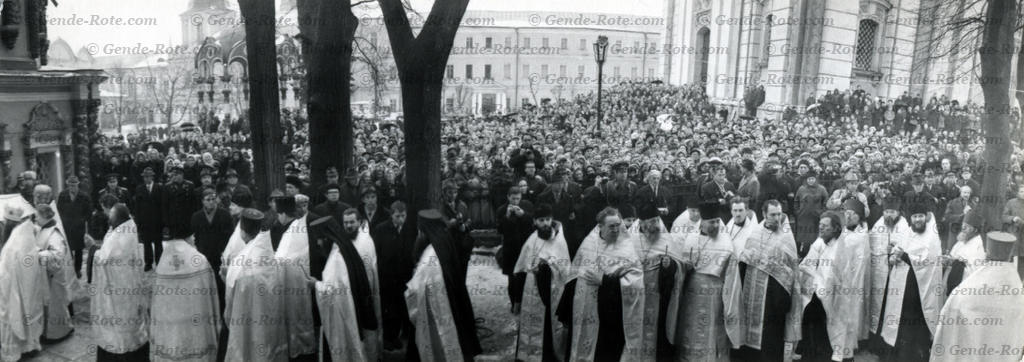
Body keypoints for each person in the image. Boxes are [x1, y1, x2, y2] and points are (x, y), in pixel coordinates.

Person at [558, 207, 643, 361]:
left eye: (618, 225)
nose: (616, 229)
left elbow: (636, 285)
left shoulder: (627, 248)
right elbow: (574, 275)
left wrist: (605, 280)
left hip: (610, 316)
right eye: (611, 226)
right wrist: (565, 312)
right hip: (583, 312)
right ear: (600, 227)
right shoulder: (588, 244)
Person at [931, 231, 1024, 362]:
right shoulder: (1018, 294)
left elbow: (949, 320)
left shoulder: (966, 290)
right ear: (1009, 257)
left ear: (987, 255)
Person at [668, 201, 742, 362]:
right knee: (691, 328)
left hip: (715, 295)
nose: (715, 225)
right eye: (711, 222)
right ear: (702, 222)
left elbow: (731, 275)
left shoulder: (726, 242)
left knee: (711, 330)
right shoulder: (691, 239)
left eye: (717, 221)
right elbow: (682, 267)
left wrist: (728, 298)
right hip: (692, 293)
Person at [406, 209, 482, 361]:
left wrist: (410, 292)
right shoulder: (444, 239)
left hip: (438, 305)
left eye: (420, 230)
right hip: (452, 297)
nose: (419, 233)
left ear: (424, 230)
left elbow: (419, 287)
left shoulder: (430, 254)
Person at [876, 201, 942, 362]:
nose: (918, 220)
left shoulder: (931, 236)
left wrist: (903, 255)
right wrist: (893, 256)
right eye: (915, 216)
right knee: (899, 319)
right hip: (901, 285)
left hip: (920, 289)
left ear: (926, 217)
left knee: (916, 322)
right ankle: (898, 355)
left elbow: (928, 260)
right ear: (910, 218)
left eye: (920, 216)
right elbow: (898, 250)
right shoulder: (907, 232)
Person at [787, 211, 857, 362]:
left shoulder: (842, 247)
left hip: (835, 297)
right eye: (820, 225)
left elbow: (837, 277)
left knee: (832, 328)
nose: (821, 229)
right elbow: (807, 264)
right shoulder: (820, 241)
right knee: (808, 316)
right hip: (817, 291)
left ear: (835, 229)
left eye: (825, 226)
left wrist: (820, 282)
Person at [309, 215, 379, 360]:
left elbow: (332, 292)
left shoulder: (337, 258)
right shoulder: (344, 247)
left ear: (327, 237)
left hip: (343, 317)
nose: (319, 243)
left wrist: (315, 284)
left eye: (320, 239)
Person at [223, 208, 289, 362]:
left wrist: (226, 276)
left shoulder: (239, 265)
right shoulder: (269, 256)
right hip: (268, 322)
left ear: (243, 232)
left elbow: (231, 298)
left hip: (245, 322)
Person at [735, 200, 797, 362]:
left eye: (779, 214)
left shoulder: (786, 237)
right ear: (764, 214)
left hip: (773, 297)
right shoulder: (755, 233)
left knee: (770, 338)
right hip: (751, 292)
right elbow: (743, 261)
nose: (777, 218)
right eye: (773, 214)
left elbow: (792, 269)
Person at [150, 223, 221, 362]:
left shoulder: (162, 264)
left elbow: (156, 304)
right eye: (193, 235)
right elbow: (211, 297)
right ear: (187, 236)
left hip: (170, 330)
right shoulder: (200, 261)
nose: (194, 238)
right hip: (195, 329)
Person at [512, 204, 572, 361]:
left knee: (548, 326)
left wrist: (548, 265)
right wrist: (517, 299)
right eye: (541, 220)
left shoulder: (559, 240)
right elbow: (521, 269)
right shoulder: (531, 240)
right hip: (532, 290)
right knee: (530, 324)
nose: (545, 223)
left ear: (552, 220)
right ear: (535, 222)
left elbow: (565, 269)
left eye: (547, 219)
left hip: (551, 291)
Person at [91, 203, 149, 360]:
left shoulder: (118, 240)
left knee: (118, 326)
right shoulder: (129, 229)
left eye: (110, 217)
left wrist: (91, 248)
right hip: (129, 287)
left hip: (118, 292)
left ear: (117, 219)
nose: (108, 220)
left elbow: (103, 259)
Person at [630, 204, 681, 361]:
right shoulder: (630, 238)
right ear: (641, 223)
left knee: (656, 327)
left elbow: (678, 264)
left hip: (658, 293)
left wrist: (669, 266)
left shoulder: (665, 238)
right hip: (634, 293)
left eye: (656, 220)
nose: (654, 225)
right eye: (650, 222)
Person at [273, 195, 317, 360]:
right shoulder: (296, 226)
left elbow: (287, 258)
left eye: (278, 214)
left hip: (297, 281)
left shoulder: (295, 230)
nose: (278, 217)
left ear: (283, 214)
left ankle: (302, 348)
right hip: (294, 280)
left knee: (298, 316)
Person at [370, 201, 415, 351]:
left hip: (404, 276)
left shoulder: (409, 229)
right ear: (391, 215)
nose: (401, 219)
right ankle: (389, 338)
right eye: (397, 216)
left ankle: (400, 335)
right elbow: (375, 253)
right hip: (387, 277)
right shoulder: (381, 229)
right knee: (389, 309)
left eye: (403, 216)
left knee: (403, 306)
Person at [0, 219, 48, 361]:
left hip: (12, 292)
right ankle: (28, 347)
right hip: (23, 293)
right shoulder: (24, 246)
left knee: (13, 318)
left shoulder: (12, 247)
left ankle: (15, 351)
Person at [345, 208, 383, 360]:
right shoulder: (343, 240)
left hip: (365, 293)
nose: (348, 226)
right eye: (346, 223)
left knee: (366, 329)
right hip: (349, 292)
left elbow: (370, 270)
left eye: (352, 222)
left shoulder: (366, 242)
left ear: (359, 222)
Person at [35, 203, 74, 343]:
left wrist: (38, 253)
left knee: (56, 306)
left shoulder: (54, 233)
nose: (35, 218)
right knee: (50, 307)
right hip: (46, 276)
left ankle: (60, 333)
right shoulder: (44, 228)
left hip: (54, 277)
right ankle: (50, 332)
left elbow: (57, 257)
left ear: (45, 216)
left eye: (37, 216)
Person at [841, 198, 871, 352]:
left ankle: (855, 340)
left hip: (857, 278)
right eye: (846, 213)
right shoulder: (840, 232)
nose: (848, 217)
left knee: (856, 307)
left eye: (852, 214)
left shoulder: (863, 234)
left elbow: (863, 258)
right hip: (842, 277)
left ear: (859, 217)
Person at [498, 187, 535, 314]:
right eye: (513, 198)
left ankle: (524, 304)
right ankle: (514, 304)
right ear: (508, 197)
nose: (515, 201)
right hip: (510, 249)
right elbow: (499, 230)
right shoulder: (502, 209)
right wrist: (507, 216)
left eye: (518, 198)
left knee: (524, 277)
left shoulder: (527, 205)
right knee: (512, 279)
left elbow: (533, 222)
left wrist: (523, 215)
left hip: (525, 247)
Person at [943, 209, 986, 294]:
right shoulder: (963, 239)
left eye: (967, 226)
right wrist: (947, 259)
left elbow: (973, 273)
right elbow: (953, 255)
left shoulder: (977, 246)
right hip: (950, 280)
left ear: (975, 230)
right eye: (963, 225)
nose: (963, 228)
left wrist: (954, 263)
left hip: (963, 289)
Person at [56, 176, 91, 279]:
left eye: (74, 185)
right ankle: (70, 269)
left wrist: (83, 220)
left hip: (79, 227)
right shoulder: (63, 195)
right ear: (68, 185)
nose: (72, 187)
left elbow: (88, 212)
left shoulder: (84, 196)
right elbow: (59, 210)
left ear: (77, 185)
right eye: (70, 185)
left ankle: (78, 269)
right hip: (66, 226)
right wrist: (62, 221)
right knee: (68, 248)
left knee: (79, 249)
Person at [133, 167, 164, 271]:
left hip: (157, 221)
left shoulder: (159, 188)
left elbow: (163, 206)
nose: (147, 179)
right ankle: (148, 263)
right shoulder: (139, 189)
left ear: (152, 177)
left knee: (158, 243)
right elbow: (137, 207)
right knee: (147, 243)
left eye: (149, 176)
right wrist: (138, 221)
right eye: (145, 177)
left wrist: (163, 221)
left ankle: (159, 262)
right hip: (145, 221)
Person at [163, 165, 197, 243]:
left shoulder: (190, 185)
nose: (175, 176)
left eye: (178, 174)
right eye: (174, 174)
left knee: (188, 241)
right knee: (175, 242)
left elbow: (194, 203)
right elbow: (165, 205)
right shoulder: (167, 187)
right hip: (174, 219)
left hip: (187, 218)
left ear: (182, 175)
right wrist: (166, 221)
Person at [1001, 184, 1024, 279]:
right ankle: (1006, 280)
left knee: (1022, 260)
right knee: (1009, 258)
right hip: (1013, 235)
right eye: (1022, 191)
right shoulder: (1011, 203)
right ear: (1018, 193)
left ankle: (1020, 281)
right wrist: (1013, 218)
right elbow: (1003, 217)